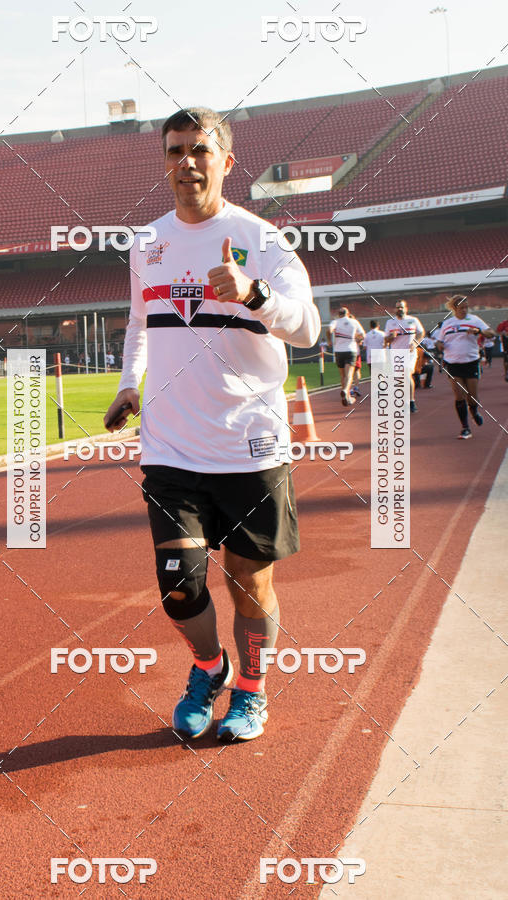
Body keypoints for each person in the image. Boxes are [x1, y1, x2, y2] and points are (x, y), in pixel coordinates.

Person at [104, 107, 320, 742]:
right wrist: (128, 383)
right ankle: (208, 667)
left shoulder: (264, 240)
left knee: (249, 582)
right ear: (165, 161)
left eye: (199, 150)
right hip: (171, 446)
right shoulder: (148, 243)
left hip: (249, 444)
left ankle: (251, 690)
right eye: (175, 151)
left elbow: (307, 328)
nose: (186, 162)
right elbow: (140, 324)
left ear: (225, 162)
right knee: (179, 585)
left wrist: (254, 294)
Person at [435, 295, 495, 439]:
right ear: (454, 308)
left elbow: (492, 333)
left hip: (471, 362)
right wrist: (440, 345)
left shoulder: (474, 320)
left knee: (472, 397)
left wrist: (479, 331)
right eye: (461, 307)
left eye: (466, 307)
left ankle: (474, 411)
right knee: (459, 395)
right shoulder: (447, 323)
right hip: (453, 363)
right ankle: (465, 428)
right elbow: (438, 341)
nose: (464, 310)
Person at [384, 299, 425, 413]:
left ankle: (411, 401)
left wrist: (415, 343)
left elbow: (421, 333)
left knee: (406, 374)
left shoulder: (413, 320)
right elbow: (386, 340)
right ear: (394, 309)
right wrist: (391, 337)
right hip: (396, 354)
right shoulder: (390, 322)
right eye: (398, 307)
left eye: (402, 307)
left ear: (406, 309)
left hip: (409, 353)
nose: (400, 309)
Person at [326, 307, 365, 406]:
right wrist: (358, 340)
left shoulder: (335, 322)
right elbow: (363, 335)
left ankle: (346, 397)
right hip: (351, 350)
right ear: (348, 313)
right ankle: (345, 390)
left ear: (339, 314)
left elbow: (329, 330)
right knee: (349, 374)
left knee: (342, 375)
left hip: (338, 351)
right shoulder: (354, 322)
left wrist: (329, 341)